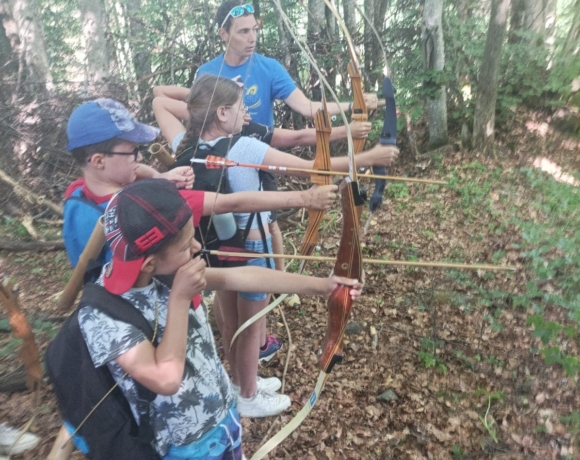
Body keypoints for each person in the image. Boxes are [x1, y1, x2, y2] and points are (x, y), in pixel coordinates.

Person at [76, 178, 364, 458]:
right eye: (186, 245)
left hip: (222, 414)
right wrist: (179, 298)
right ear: (149, 262)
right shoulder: (101, 314)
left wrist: (323, 286)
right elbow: (165, 379)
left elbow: (240, 276)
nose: (197, 248)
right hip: (185, 446)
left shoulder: (165, 273)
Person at [173, 74, 397, 417]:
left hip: (219, 251)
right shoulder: (244, 147)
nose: (245, 114)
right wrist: (370, 157)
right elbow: (313, 168)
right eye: (239, 107)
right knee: (250, 327)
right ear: (220, 113)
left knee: (232, 322)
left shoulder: (186, 150)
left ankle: (239, 382)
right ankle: (247, 395)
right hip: (253, 248)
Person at [63, 98, 337, 269]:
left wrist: (160, 177)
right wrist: (305, 199)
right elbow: (232, 202)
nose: (140, 157)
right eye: (132, 152)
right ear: (98, 160)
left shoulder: (78, 192)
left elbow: (136, 170)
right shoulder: (149, 206)